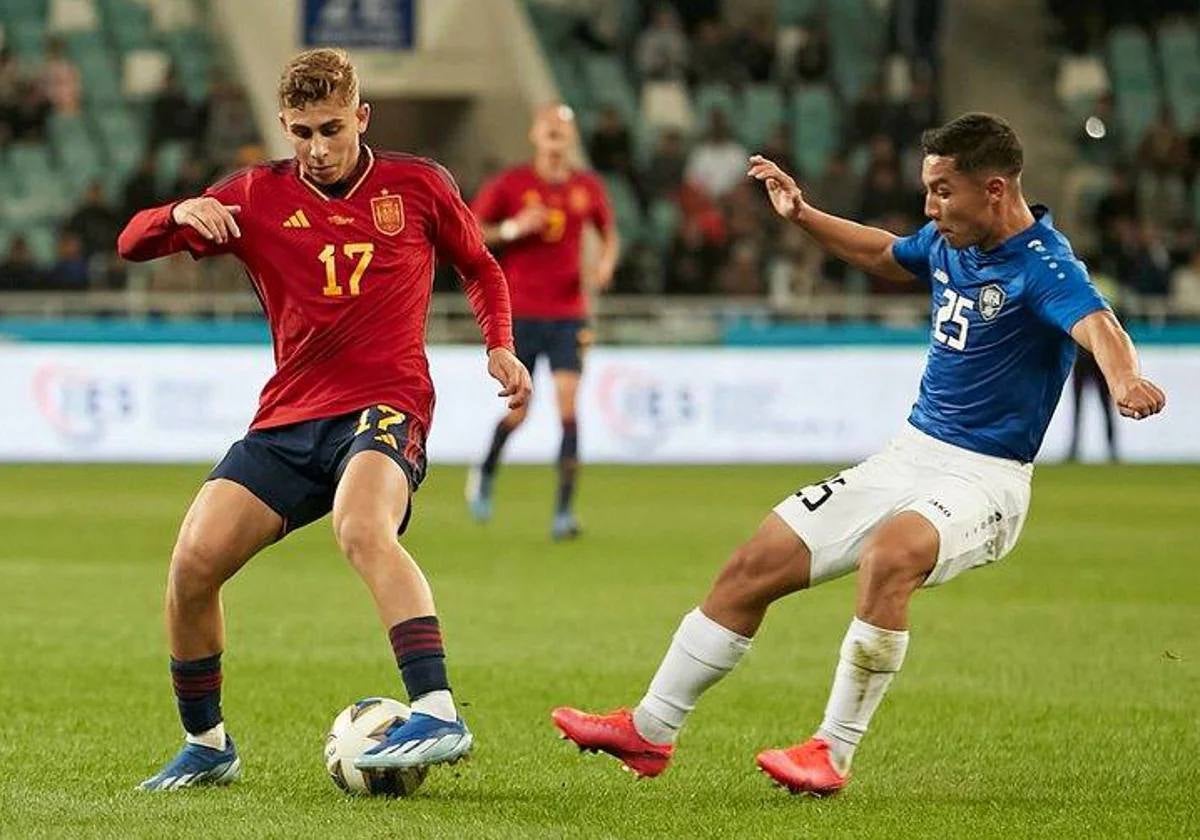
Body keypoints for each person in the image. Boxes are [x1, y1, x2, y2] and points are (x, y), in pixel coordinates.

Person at [551, 113, 1166, 794]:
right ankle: (651, 728)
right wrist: (803, 215)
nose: (930, 208)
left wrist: (1125, 378)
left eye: (942, 191)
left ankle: (831, 752)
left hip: (985, 480)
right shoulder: (949, 241)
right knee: (756, 562)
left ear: (993, 189)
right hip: (907, 456)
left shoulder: (1044, 263)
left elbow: (1098, 323)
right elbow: (884, 252)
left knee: (890, 555)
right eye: (928, 190)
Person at [118, 48, 531, 791]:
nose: (316, 148)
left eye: (330, 129)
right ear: (283, 125)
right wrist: (178, 213)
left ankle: (437, 710)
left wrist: (500, 345)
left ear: (361, 117)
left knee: (360, 526)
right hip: (288, 420)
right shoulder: (253, 195)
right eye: (301, 132)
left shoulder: (419, 185)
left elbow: (480, 265)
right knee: (189, 568)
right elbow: (131, 242)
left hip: (386, 403)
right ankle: (208, 744)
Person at [466, 104, 619, 540]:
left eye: (563, 126)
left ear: (569, 137)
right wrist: (514, 228)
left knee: (569, 407)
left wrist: (605, 263)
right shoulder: (512, 184)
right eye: (548, 124)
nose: (555, 131)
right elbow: (472, 230)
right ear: (535, 133)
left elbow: (608, 232)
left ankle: (563, 513)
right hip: (520, 314)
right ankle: (486, 471)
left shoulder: (586, 187)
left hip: (569, 314)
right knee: (520, 413)